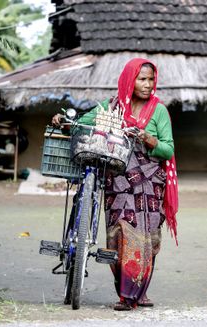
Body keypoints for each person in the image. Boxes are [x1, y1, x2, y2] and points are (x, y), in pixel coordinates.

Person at [52, 58, 178, 311]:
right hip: (118, 182)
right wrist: (63, 120)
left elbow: (168, 149)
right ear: (129, 80)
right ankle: (125, 293)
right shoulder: (111, 107)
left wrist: (150, 140)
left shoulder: (159, 111)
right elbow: (83, 123)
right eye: (142, 79)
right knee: (118, 236)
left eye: (151, 79)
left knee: (147, 239)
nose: (147, 84)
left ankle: (139, 293)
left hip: (149, 184)